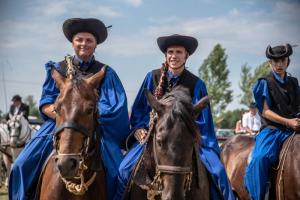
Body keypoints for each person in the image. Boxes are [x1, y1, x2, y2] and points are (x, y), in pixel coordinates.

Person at [9, 18, 130, 200]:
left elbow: (114, 106)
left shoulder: (106, 72)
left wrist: (84, 113)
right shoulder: (58, 69)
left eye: (89, 40)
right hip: (57, 126)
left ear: (96, 45)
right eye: (79, 39)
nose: (84, 44)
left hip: (94, 127)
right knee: (20, 165)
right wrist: (62, 113)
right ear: (72, 43)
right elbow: (46, 102)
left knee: (119, 173)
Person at [114, 34, 235, 200]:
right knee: (123, 170)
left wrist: (191, 134)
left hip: (187, 140)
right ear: (165, 55)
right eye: (170, 52)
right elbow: (139, 110)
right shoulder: (152, 77)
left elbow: (204, 121)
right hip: (154, 138)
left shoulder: (196, 84)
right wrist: (138, 129)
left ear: (186, 55)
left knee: (218, 173)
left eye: (179, 52)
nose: (174, 56)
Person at [244, 43, 300, 200]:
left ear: (287, 62)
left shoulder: (294, 82)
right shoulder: (264, 82)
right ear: (270, 63)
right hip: (273, 130)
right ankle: (257, 195)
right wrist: (289, 122)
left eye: (282, 61)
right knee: (260, 158)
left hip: (295, 128)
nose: (279, 64)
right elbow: (265, 111)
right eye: (275, 61)